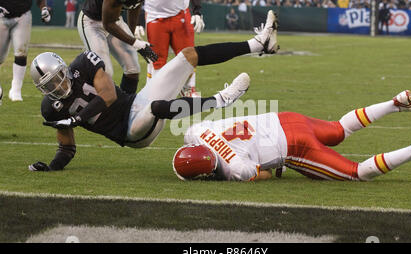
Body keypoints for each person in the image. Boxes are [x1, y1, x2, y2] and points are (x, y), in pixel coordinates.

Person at [28, 10, 279, 172]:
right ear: (43, 90)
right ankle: (222, 100)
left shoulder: (84, 63)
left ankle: (258, 44)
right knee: (156, 107)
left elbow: (109, 96)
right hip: (130, 132)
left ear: (64, 68)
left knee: (187, 56)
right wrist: (50, 168)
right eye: (50, 86)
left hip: (134, 103)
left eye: (59, 78)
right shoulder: (51, 108)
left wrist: (77, 118)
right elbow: (67, 149)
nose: (58, 86)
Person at [173, 91, 411, 181]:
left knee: (356, 173)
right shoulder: (196, 131)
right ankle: (396, 102)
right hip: (286, 119)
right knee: (341, 129)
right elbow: (190, 139)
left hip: (295, 147)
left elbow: (265, 174)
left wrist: (220, 174)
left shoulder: (234, 168)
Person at [77, 0, 157, 95]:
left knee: (133, 68)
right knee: (105, 71)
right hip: (92, 23)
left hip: (115, 20)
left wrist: (130, 38)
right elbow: (108, 24)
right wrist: (135, 43)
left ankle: (125, 105)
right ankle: (87, 101)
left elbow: (135, 6)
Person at [138, 0, 205, 98]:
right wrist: (137, 20)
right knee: (156, 59)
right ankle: (154, 92)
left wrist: (197, 11)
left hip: (181, 13)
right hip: (155, 15)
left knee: (190, 55)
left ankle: (188, 89)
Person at [0, 0, 51, 102]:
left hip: (23, 15)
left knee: (21, 52)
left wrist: (44, 8)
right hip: (1, 16)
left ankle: (16, 90)